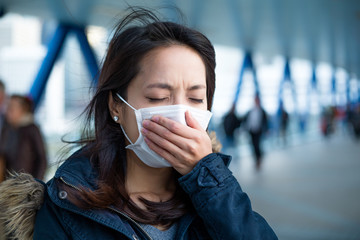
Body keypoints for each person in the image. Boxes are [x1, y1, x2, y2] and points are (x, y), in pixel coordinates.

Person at [0, 9, 277, 240]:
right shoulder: (65, 206)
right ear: (116, 106)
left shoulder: (216, 194)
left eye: (195, 98)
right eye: (158, 97)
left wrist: (208, 177)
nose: (179, 114)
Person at [0, 95, 47, 180]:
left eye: (12, 107)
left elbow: (42, 159)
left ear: (22, 109)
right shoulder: (7, 129)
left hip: (26, 185)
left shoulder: (32, 129)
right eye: (7, 106)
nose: (8, 110)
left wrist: (35, 183)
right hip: (8, 184)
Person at [245, 95, 268, 170]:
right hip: (251, 131)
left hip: (259, 130)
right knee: (253, 145)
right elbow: (247, 120)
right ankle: (257, 160)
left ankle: (259, 159)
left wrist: (267, 129)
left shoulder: (262, 111)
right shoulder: (251, 111)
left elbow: (265, 121)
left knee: (257, 145)